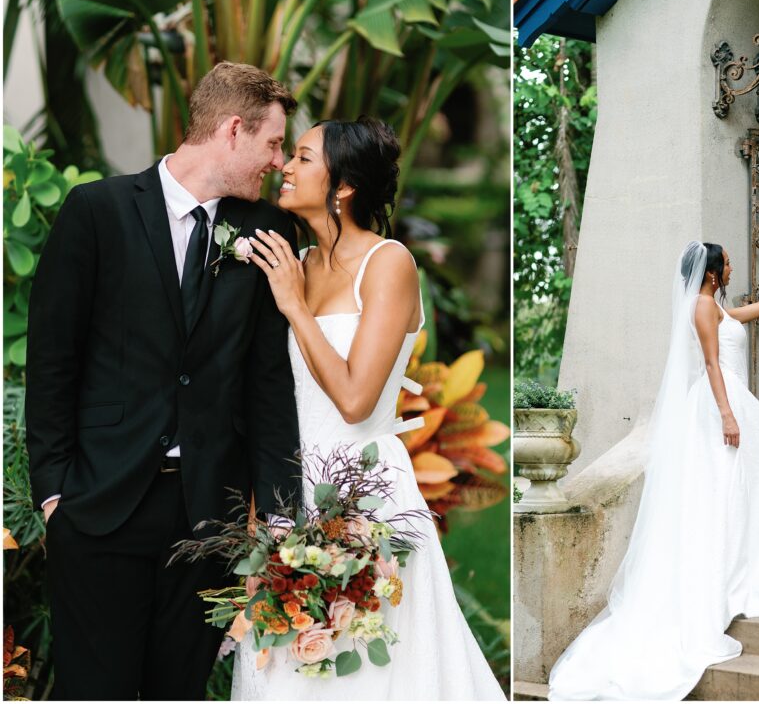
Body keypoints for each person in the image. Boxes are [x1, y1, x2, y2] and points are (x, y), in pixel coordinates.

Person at [26, 62, 303, 699]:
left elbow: (266, 382)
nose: (278, 161)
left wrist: (280, 522)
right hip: (99, 507)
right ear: (234, 130)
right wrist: (53, 495)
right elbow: (52, 361)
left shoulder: (267, 233)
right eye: (272, 142)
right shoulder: (97, 212)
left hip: (209, 516)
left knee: (176, 690)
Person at [229, 117, 505, 700]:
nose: (286, 166)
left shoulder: (389, 264)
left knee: (367, 668)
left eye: (303, 158)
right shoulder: (295, 263)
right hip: (290, 490)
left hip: (364, 494)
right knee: (286, 666)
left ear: (344, 185)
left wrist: (294, 308)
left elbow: (355, 401)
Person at [547, 240, 759, 701]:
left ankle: (741, 562)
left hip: (729, 403)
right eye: (727, 262)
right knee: (737, 483)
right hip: (718, 407)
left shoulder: (718, 307)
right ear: (713, 273)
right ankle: (719, 580)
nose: (733, 266)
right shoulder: (701, 307)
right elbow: (711, 364)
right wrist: (728, 414)